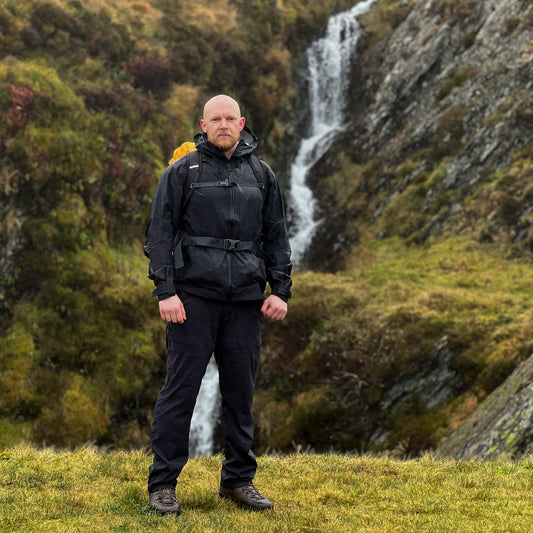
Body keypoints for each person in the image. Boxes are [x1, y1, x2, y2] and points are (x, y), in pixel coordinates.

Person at [144, 94, 292, 515]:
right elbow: (159, 234)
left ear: (242, 123)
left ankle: (238, 480)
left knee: (240, 393)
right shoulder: (183, 171)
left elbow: (276, 235)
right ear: (203, 125)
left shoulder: (262, 175)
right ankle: (163, 485)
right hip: (192, 298)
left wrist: (280, 290)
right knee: (180, 392)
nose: (224, 124)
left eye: (231, 118)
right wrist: (165, 291)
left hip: (246, 299)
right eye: (216, 119)